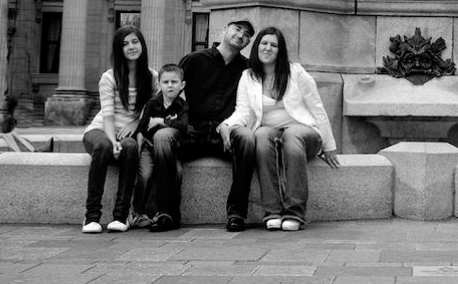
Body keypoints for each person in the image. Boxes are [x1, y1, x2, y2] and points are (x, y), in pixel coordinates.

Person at [220, 26, 339, 232]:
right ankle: (272, 211)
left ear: (280, 50)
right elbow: (244, 111)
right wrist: (227, 125)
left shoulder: (296, 72)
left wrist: (329, 145)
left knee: (292, 135)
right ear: (257, 47)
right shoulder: (249, 76)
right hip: (272, 133)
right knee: (260, 134)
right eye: (264, 43)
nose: (268, 48)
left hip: (303, 131)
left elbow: (316, 106)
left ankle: (295, 211)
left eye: (273, 45)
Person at [141, 19, 256, 232]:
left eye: (247, 34)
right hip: (191, 131)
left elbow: (249, 106)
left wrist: (229, 125)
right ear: (224, 29)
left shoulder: (247, 69)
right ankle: (167, 212)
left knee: (248, 139)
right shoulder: (194, 60)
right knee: (163, 138)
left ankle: (237, 213)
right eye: (237, 29)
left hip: (224, 134)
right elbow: (169, 96)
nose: (241, 35)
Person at [81, 25, 157, 234]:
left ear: (142, 45)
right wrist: (113, 140)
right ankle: (91, 217)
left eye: (135, 41)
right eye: (125, 44)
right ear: (118, 49)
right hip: (100, 131)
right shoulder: (110, 77)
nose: (131, 47)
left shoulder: (151, 77)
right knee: (104, 146)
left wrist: (134, 124)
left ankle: (120, 216)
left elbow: (150, 109)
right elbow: (108, 114)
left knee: (131, 146)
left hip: (128, 135)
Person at [133, 63, 188, 232]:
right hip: (149, 148)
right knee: (146, 174)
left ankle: (167, 212)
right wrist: (140, 142)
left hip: (169, 151)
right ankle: (137, 212)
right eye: (165, 82)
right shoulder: (152, 104)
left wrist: (161, 121)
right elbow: (142, 127)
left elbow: (183, 126)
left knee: (177, 172)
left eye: (174, 82)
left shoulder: (182, 105)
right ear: (159, 84)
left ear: (182, 85)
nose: (170, 85)